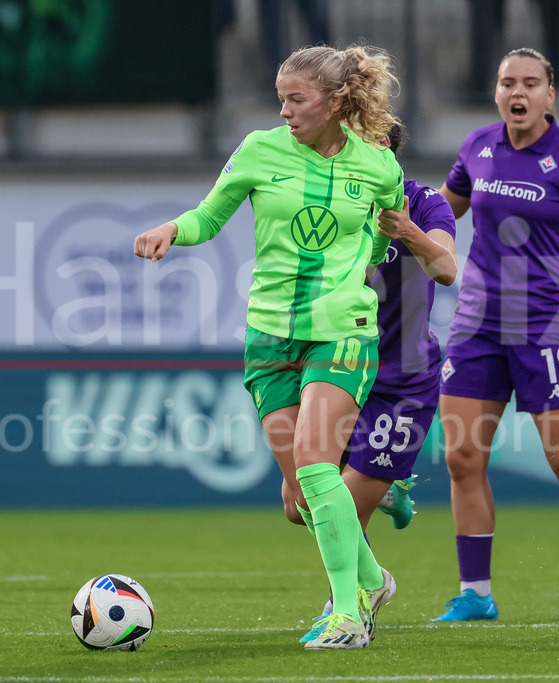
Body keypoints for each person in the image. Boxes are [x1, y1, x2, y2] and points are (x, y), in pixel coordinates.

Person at [134, 44, 405, 650]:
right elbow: (209, 216)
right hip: (269, 336)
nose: (285, 110)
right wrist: (171, 231)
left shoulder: (378, 167)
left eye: (297, 99)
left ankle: (349, 613)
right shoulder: (259, 151)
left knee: (313, 461)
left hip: (342, 330)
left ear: (336, 102)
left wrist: (382, 267)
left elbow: (392, 232)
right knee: (301, 497)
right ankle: (373, 579)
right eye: (281, 98)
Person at [432, 48, 559, 622]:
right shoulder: (477, 147)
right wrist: (399, 223)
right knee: (463, 457)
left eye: (530, 83)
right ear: (496, 92)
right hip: (475, 327)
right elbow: (443, 215)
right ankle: (476, 594)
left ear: (551, 95)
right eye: (506, 82)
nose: (516, 92)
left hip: (545, 329)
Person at [298, 121, 459, 643]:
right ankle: (389, 491)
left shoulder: (425, 202)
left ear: (384, 146)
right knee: (299, 505)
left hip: (402, 380)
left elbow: (446, 270)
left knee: (344, 500)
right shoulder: (334, 200)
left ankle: (351, 608)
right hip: (342, 364)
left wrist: (405, 230)